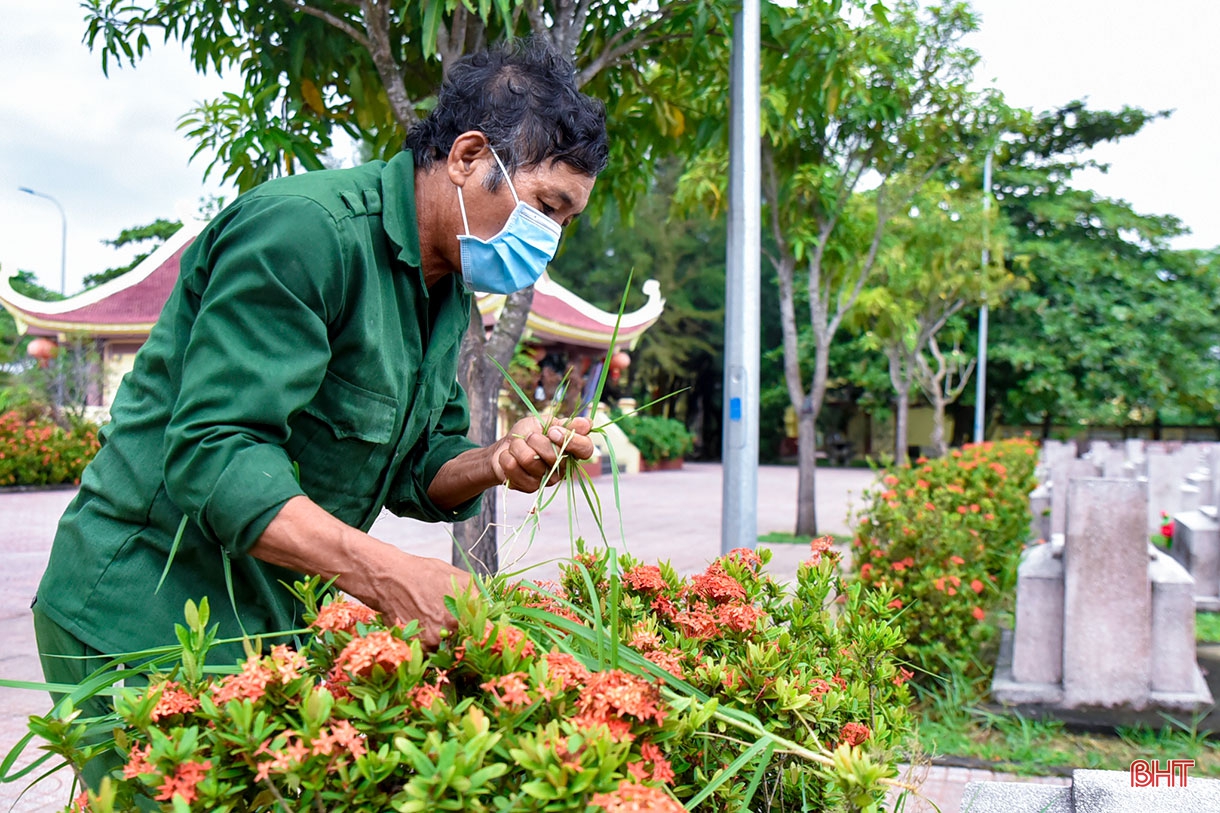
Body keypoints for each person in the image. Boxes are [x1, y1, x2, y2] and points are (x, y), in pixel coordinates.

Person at [32, 38, 609, 785]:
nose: (551, 242)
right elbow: (216, 454)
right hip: (142, 611)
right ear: (469, 156)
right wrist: (385, 573)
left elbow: (416, 465)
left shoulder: (443, 291)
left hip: (259, 619)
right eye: (546, 208)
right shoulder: (305, 234)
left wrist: (497, 460)